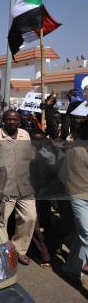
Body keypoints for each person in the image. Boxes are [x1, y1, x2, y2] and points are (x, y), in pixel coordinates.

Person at [0, 110, 36, 265]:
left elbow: (30, 157)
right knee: (1, 221)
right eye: (9, 119)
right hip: (4, 186)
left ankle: (19, 249)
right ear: (3, 120)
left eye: (15, 119)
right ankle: (1, 253)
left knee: (30, 217)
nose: (12, 122)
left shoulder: (24, 135)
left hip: (24, 185)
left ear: (19, 120)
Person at [62, 120, 88, 284]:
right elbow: (62, 127)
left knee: (81, 235)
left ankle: (71, 269)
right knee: (86, 232)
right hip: (77, 196)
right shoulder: (70, 145)